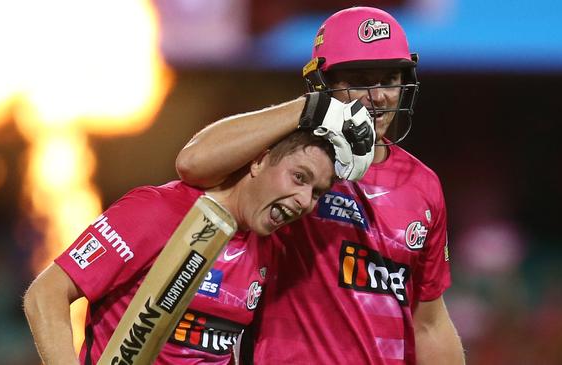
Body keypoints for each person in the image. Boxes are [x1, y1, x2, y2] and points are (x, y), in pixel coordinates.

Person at [175, 6, 464, 365]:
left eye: (389, 79)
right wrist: (304, 111)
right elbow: (192, 163)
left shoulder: (422, 185)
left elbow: (430, 324)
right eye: (360, 79)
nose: (379, 97)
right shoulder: (284, 159)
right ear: (324, 85)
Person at [23, 96, 376, 365]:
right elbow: (46, 294)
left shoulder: (268, 245)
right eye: (299, 177)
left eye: (316, 192)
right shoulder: (156, 212)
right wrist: (308, 106)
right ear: (257, 160)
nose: (304, 200)